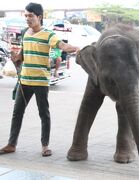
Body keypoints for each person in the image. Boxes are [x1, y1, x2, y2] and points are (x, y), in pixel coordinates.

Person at [0, 2, 80, 157]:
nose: (27, 19)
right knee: (17, 113)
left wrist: (76, 48)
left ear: (39, 17)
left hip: (41, 82)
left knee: (44, 114)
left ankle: (45, 146)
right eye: (26, 16)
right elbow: (22, 55)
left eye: (30, 16)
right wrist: (16, 57)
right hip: (24, 81)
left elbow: (62, 45)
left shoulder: (49, 35)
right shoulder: (25, 33)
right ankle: (11, 144)